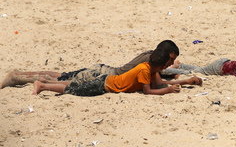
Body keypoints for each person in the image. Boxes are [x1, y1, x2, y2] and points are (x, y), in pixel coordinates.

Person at [2, 40, 180, 88]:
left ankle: (20, 75)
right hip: (101, 75)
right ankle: (18, 77)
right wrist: (183, 80)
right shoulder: (150, 62)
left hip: (102, 70)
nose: (169, 63)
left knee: (61, 75)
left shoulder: (151, 57)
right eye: (170, 60)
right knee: (62, 79)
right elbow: (157, 84)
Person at [32, 48, 202, 97]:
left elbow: (158, 83)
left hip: (107, 79)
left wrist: (185, 83)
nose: (169, 66)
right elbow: (149, 90)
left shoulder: (149, 68)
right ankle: (43, 86)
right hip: (105, 83)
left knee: (74, 83)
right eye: (169, 63)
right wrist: (167, 90)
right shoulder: (145, 69)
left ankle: (45, 83)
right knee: (73, 89)